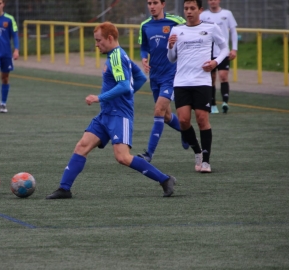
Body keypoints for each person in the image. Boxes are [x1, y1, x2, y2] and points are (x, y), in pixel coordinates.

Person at [46, 22, 176, 199]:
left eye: (99, 41)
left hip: (119, 115)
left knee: (122, 157)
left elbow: (124, 85)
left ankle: (165, 179)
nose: (96, 44)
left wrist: (99, 97)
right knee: (82, 146)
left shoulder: (116, 56)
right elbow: (139, 78)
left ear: (109, 38)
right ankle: (64, 188)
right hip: (106, 115)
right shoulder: (120, 55)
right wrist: (126, 94)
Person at [167, 0, 229, 173]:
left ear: (200, 10)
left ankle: (206, 161)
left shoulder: (211, 28)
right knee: (183, 120)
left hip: (202, 81)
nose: (188, 11)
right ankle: (197, 152)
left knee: (202, 119)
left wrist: (215, 62)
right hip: (181, 82)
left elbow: (224, 48)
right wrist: (171, 46)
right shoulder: (177, 30)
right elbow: (171, 58)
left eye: (192, 8)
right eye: (186, 8)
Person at [137, 0, 189, 163]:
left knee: (158, 110)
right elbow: (144, 46)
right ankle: (185, 131)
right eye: (149, 3)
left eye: (155, 3)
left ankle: (149, 154)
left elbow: (191, 32)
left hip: (171, 75)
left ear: (163, 4)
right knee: (166, 116)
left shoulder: (176, 21)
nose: (152, 6)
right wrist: (144, 58)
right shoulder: (145, 25)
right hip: (155, 76)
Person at [200, 0, 238, 113]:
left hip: (223, 51)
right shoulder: (203, 15)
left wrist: (234, 49)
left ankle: (225, 102)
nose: (213, 2)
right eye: (210, 0)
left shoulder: (227, 14)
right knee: (211, 78)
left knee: (223, 76)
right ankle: (212, 104)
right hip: (209, 52)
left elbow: (233, 31)